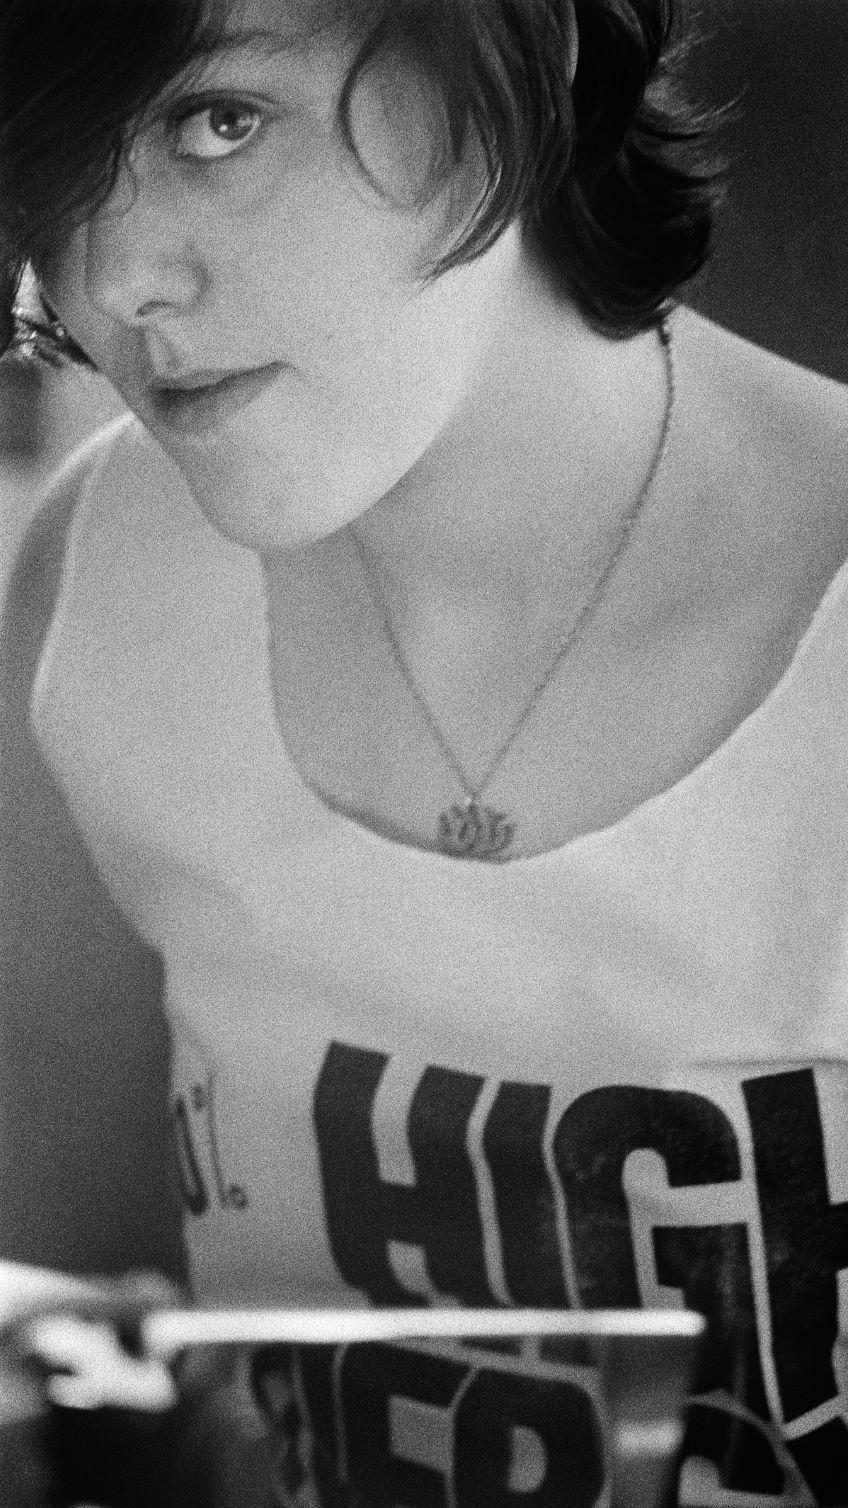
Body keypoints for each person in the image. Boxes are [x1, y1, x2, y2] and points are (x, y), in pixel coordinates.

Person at [2, 0, 848, 1502]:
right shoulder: (97, 585)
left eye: (222, 122)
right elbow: (73, 1353)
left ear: (540, 62)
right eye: (47, 172)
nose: (115, 276)